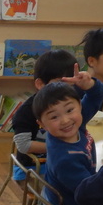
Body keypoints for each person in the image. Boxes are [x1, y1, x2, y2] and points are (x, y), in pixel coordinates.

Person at [32, 66, 103, 205]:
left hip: (56, 201)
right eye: (54, 116)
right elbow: (90, 193)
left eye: (69, 110)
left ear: (79, 107)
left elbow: (97, 95)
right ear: (42, 124)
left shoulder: (75, 126)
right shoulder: (65, 158)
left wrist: (89, 85)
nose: (65, 120)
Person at [11, 48, 78, 181]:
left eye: (72, 84)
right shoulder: (26, 112)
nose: (66, 90)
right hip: (32, 169)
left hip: (61, 162)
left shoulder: (72, 103)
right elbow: (23, 146)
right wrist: (59, 146)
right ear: (40, 84)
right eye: (60, 83)